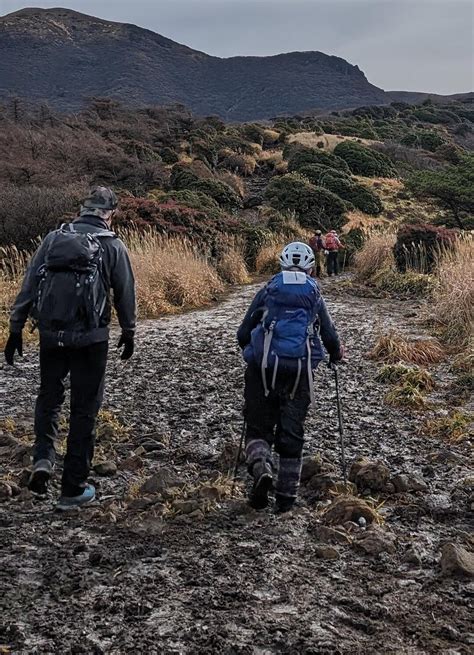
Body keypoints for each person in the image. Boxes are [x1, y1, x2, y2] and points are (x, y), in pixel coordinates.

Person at [4, 187, 136, 510]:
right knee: (84, 409)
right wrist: (129, 331)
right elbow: (125, 293)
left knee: (49, 399)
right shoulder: (113, 246)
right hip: (91, 340)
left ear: (82, 209)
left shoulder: (53, 239)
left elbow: (30, 284)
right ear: (110, 213)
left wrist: (16, 328)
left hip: (52, 336)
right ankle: (73, 489)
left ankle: (43, 460)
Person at [237, 242, 344, 513]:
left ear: (282, 264)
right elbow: (329, 334)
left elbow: (243, 332)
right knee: (292, 431)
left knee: (258, 426)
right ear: (310, 267)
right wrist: (336, 355)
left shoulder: (268, 289)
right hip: (299, 372)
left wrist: (252, 349)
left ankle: (261, 468)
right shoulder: (314, 293)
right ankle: (285, 499)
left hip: (262, 370)